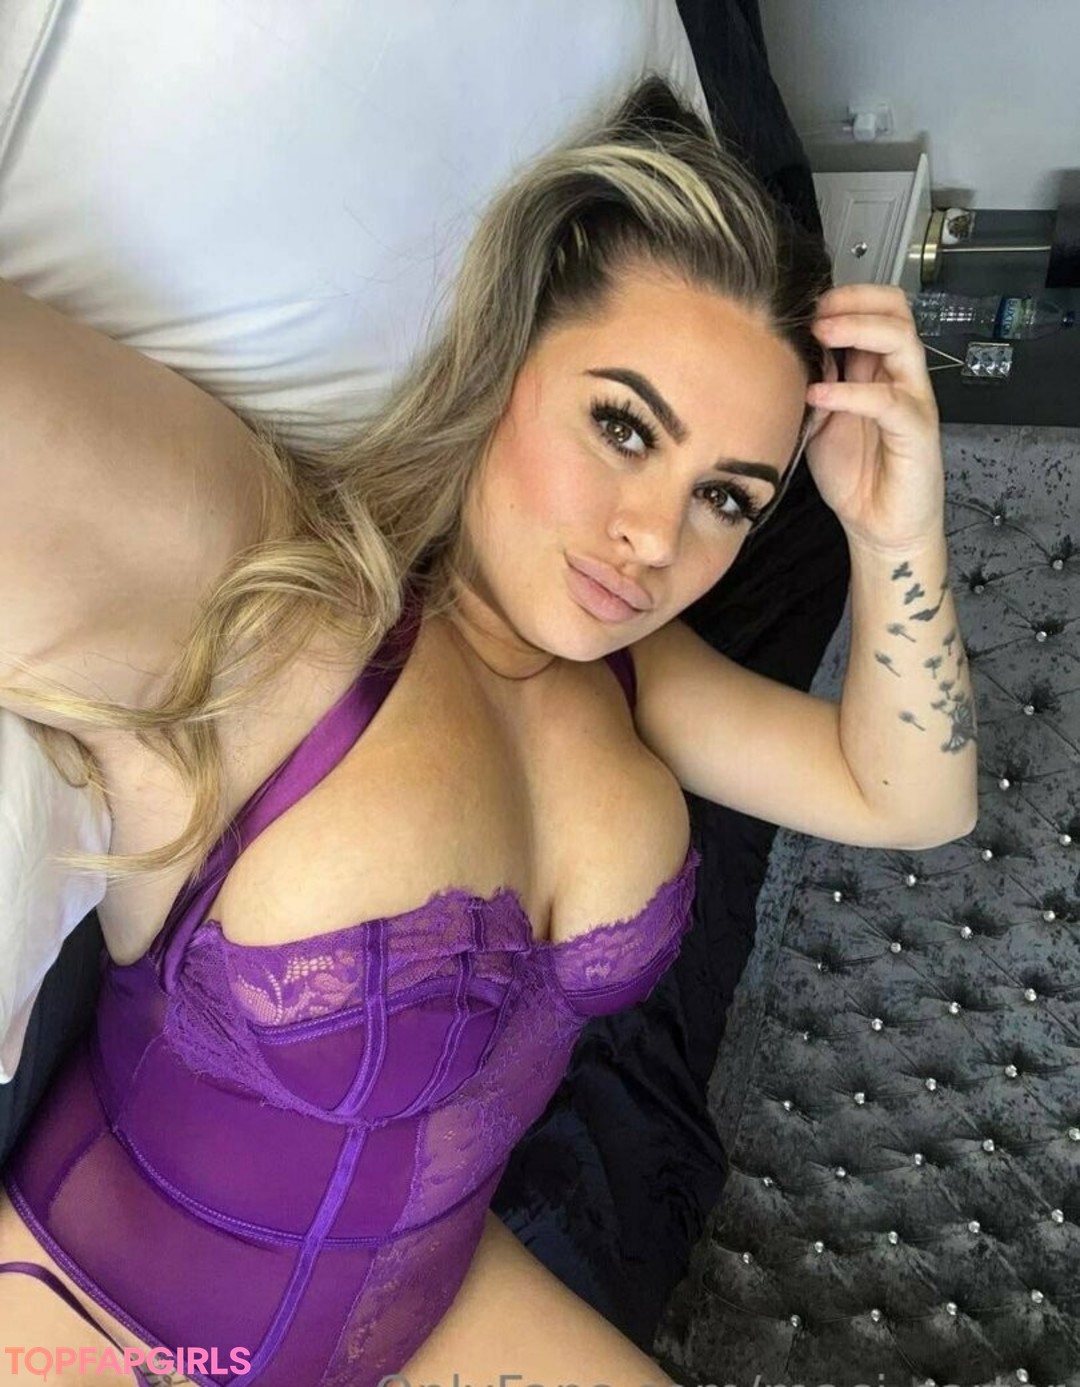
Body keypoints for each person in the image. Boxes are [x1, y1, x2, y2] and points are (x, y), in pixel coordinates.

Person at [0, 74, 976, 1387]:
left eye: (727, 499)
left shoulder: (634, 675)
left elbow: (913, 798)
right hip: (89, 1324)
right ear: (503, 364)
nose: (654, 539)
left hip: (430, 1312)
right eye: (622, 426)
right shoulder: (276, 613)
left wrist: (897, 530)